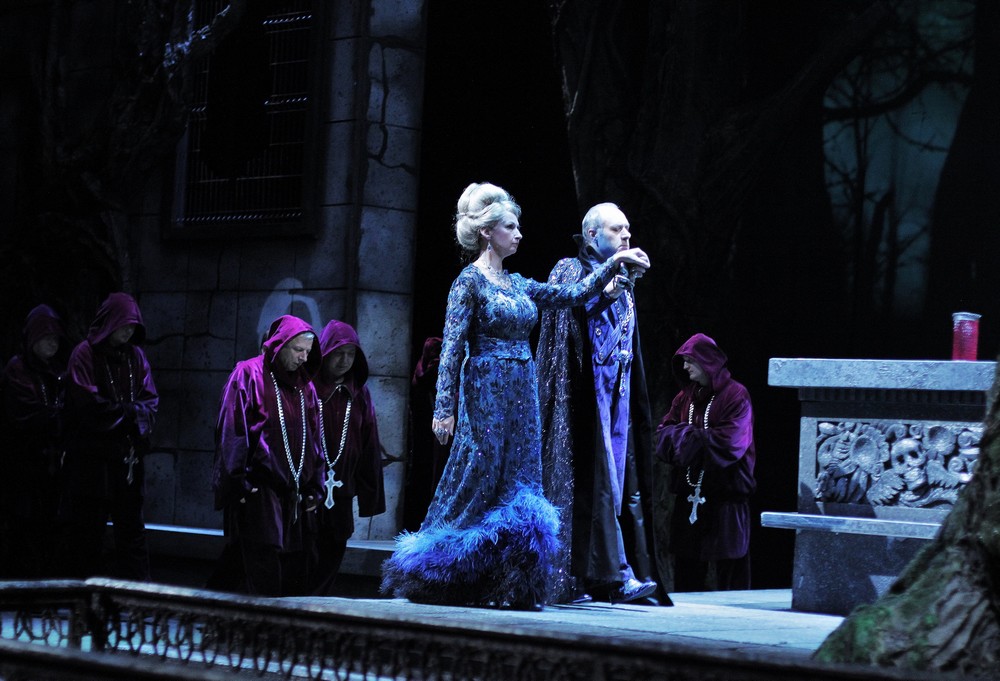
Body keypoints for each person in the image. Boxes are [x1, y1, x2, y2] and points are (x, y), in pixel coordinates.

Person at [381, 182, 650, 610]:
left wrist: (614, 264)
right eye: (510, 226)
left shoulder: (518, 283)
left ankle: (509, 583)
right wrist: (444, 407)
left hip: (522, 394)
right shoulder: (469, 282)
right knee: (477, 478)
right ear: (487, 232)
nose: (519, 233)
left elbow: (572, 295)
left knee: (521, 485)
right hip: (485, 392)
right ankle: (438, 570)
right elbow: (451, 348)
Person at [537, 202, 668, 605]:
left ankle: (609, 576)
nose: (626, 235)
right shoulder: (568, 269)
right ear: (592, 235)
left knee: (618, 484)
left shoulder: (622, 278)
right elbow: (571, 312)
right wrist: (610, 285)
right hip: (584, 397)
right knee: (595, 484)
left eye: (628, 228)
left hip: (617, 397)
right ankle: (608, 576)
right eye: (616, 229)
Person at [212, 315, 325, 596]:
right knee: (263, 567)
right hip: (259, 490)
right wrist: (237, 482)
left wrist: (315, 485)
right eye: (298, 350)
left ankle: (212, 611)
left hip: (293, 493)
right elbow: (233, 430)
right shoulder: (248, 374)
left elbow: (314, 439)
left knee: (281, 570)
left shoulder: (305, 386)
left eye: (307, 352)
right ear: (279, 345)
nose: (303, 358)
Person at [61, 292, 159, 580]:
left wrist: (129, 416)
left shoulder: (135, 356)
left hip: (127, 461)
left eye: (132, 326)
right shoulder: (84, 354)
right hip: (93, 463)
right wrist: (129, 415)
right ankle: (83, 595)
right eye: (123, 324)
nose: (128, 331)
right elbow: (88, 405)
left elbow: (149, 400)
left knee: (132, 534)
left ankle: (138, 596)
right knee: (87, 534)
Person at [655, 333, 756, 591]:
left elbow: (729, 444)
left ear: (707, 362)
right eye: (684, 361)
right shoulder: (684, 398)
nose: (685, 366)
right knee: (687, 576)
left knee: (731, 578)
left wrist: (683, 437)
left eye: (690, 361)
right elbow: (662, 437)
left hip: (726, 498)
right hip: (689, 496)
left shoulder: (736, 396)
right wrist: (693, 439)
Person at [309, 319, 385, 595]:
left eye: (350, 354)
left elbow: (369, 444)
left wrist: (369, 496)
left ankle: (316, 606)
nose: (344, 361)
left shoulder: (359, 394)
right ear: (325, 353)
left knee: (333, 551)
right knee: (305, 554)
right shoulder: (308, 389)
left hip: (341, 490)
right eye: (338, 353)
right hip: (307, 491)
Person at [1, 305, 69, 578]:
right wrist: (59, 417)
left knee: (48, 528)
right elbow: (26, 413)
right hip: (24, 466)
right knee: (24, 529)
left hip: (50, 468)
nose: (53, 343)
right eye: (46, 337)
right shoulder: (18, 369)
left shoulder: (56, 371)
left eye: (55, 338)